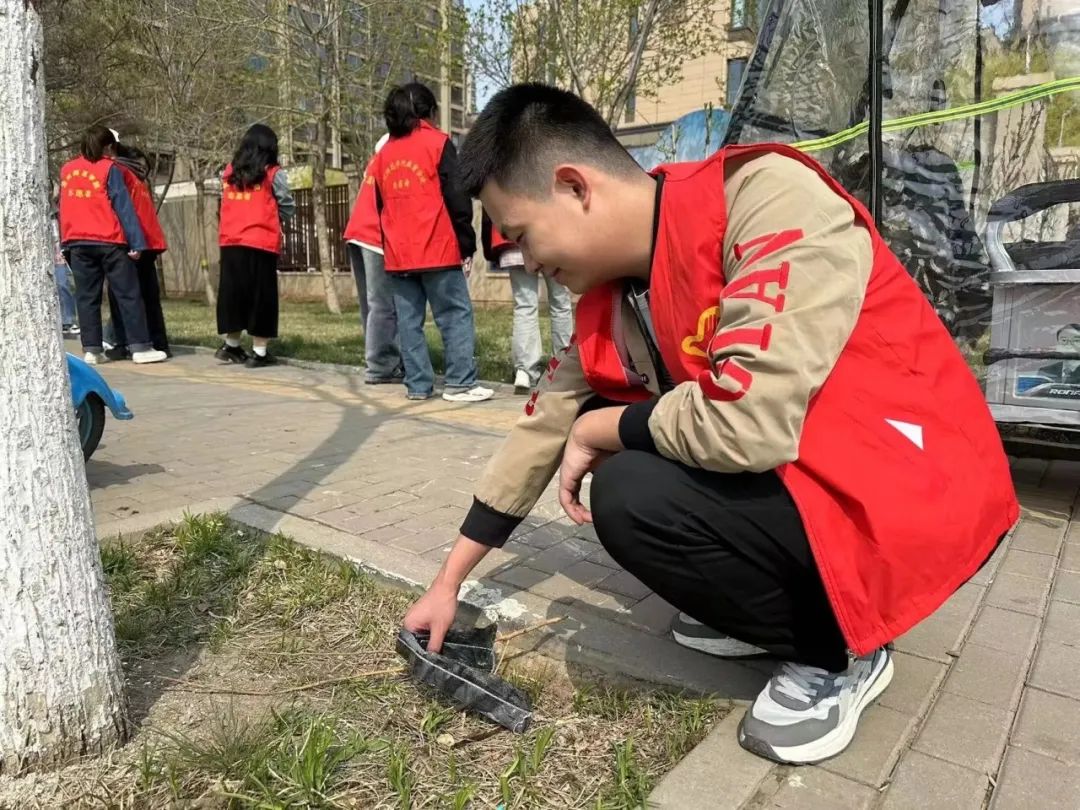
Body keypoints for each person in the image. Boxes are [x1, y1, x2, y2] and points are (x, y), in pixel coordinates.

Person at [402, 84, 1019, 765]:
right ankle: (778, 615)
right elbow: (542, 426)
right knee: (634, 474)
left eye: (521, 236)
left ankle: (839, 653)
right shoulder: (614, 292)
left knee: (629, 485)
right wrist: (446, 585)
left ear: (575, 187)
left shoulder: (764, 199)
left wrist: (601, 430)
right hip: (810, 473)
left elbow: (745, 422)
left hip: (910, 483)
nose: (528, 263)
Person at [372, 82, 493, 403]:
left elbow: (380, 205)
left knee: (409, 322)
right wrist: (466, 243)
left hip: (398, 254)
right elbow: (457, 198)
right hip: (437, 248)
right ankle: (460, 383)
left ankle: (418, 386)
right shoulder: (438, 143)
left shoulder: (383, 155)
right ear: (429, 112)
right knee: (454, 315)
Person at [58, 126, 167, 365]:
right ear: (108, 147)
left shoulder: (67, 170)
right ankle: (140, 347)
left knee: (86, 298)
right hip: (109, 240)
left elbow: (63, 206)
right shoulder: (110, 168)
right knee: (128, 294)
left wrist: (64, 241)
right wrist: (136, 242)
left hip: (77, 241)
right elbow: (123, 206)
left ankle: (92, 350)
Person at [214, 124, 295, 369]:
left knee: (233, 295)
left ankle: (231, 346)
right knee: (261, 296)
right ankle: (259, 352)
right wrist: (278, 217)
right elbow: (287, 206)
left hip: (231, 242)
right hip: (261, 242)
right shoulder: (272, 173)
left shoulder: (229, 172)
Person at [482, 210, 573, 393]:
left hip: (513, 235)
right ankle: (565, 366)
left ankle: (524, 370)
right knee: (560, 303)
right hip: (551, 230)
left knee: (525, 305)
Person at [344, 133, 404, 384]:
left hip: (358, 234)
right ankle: (381, 366)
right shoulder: (393, 162)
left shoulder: (374, 162)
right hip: (375, 236)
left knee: (371, 305)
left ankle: (379, 359)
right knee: (383, 304)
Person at [103, 142, 171, 359]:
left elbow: (120, 207)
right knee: (149, 295)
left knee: (121, 296)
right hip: (149, 240)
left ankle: (123, 343)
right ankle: (159, 342)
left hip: (131, 240)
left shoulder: (118, 172)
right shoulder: (140, 177)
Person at [50, 212, 79, 335]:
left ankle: (69, 321)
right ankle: (63, 321)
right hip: (50, 256)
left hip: (62, 255)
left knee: (66, 285)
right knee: (60, 286)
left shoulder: (60, 215)